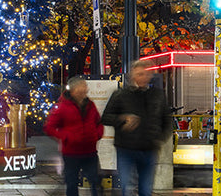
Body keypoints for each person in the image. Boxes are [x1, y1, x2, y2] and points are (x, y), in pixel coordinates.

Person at [100, 60, 173, 196]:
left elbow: (167, 120)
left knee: (145, 189)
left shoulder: (157, 95)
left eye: (146, 74)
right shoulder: (120, 95)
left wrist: (159, 139)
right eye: (140, 74)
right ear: (132, 76)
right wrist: (122, 119)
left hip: (149, 149)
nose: (143, 77)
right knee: (126, 187)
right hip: (126, 148)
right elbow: (105, 117)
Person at [45, 75, 104, 196]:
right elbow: (49, 127)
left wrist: (97, 134)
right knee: (72, 184)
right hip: (71, 153)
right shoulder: (62, 107)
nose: (85, 89)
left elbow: (98, 122)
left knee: (96, 182)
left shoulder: (90, 105)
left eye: (85, 86)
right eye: (81, 87)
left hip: (90, 151)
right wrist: (66, 136)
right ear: (72, 90)